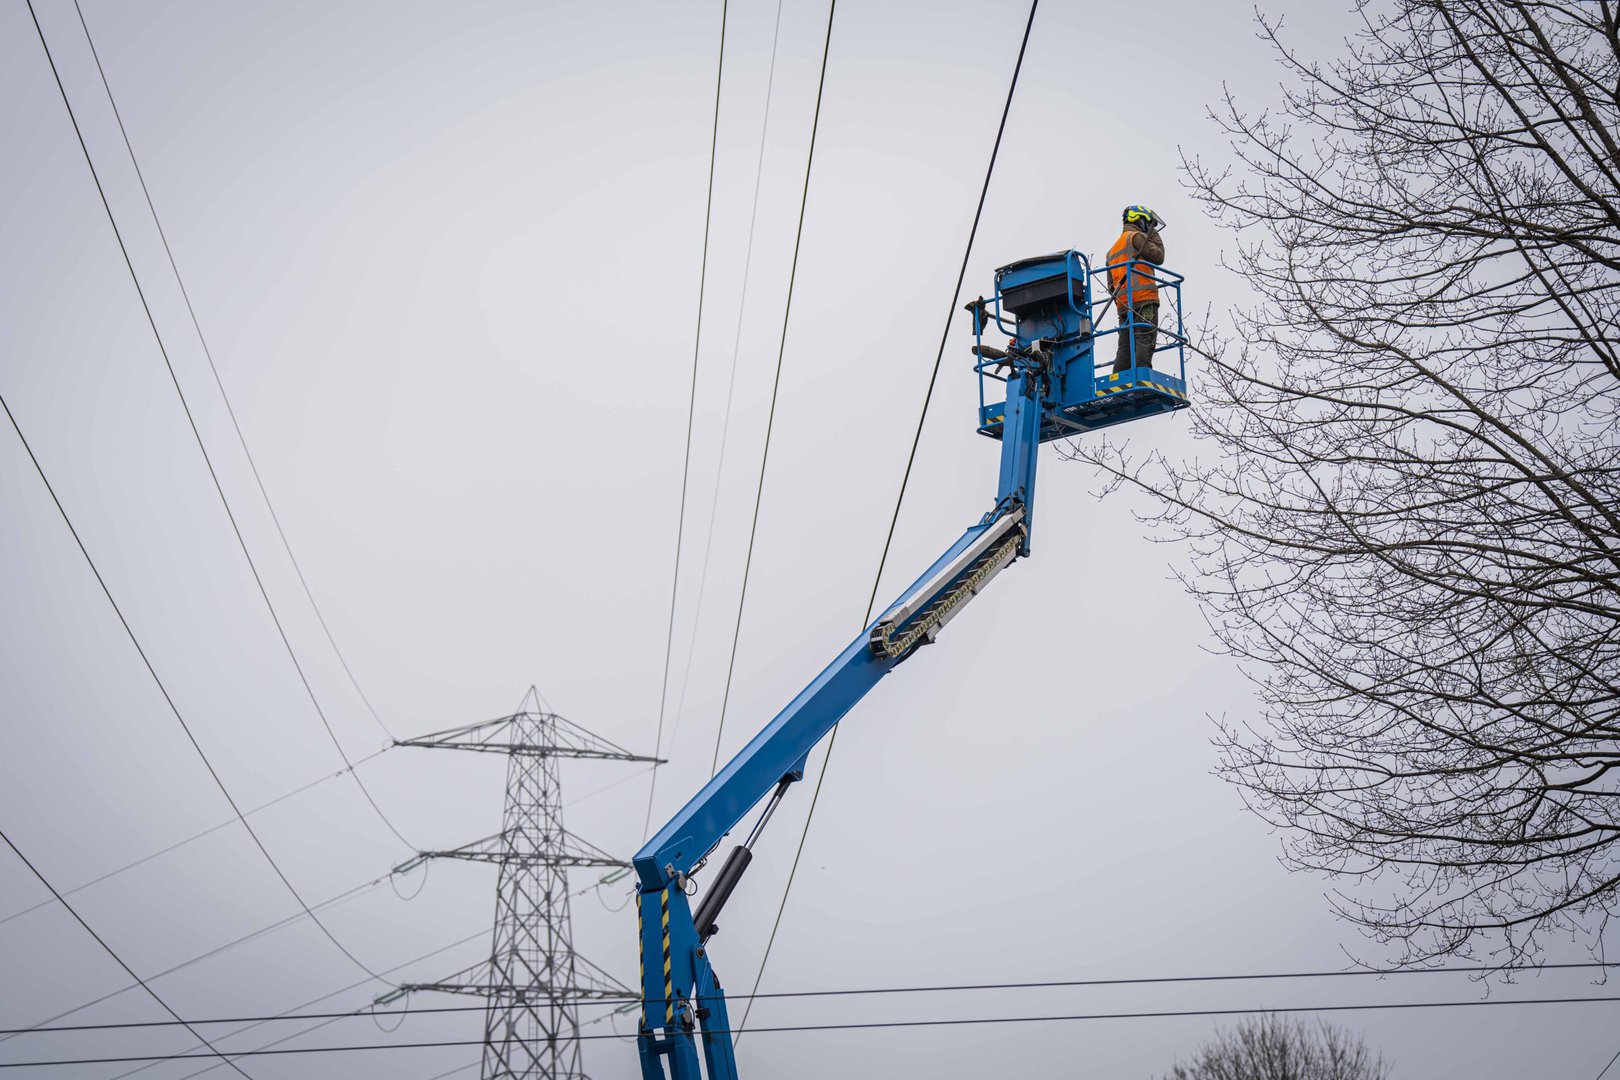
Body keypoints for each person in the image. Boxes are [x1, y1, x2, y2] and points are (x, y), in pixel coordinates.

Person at [1107, 205, 1165, 372]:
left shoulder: (1111, 251)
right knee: (1144, 339)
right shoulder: (1137, 237)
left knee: (1125, 346)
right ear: (1139, 220)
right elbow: (1158, 256)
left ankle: (1118, 379)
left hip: (1124, 306)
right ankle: (1142, 376)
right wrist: (1153, 233)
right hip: (1144, 300)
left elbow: (1111, 287)